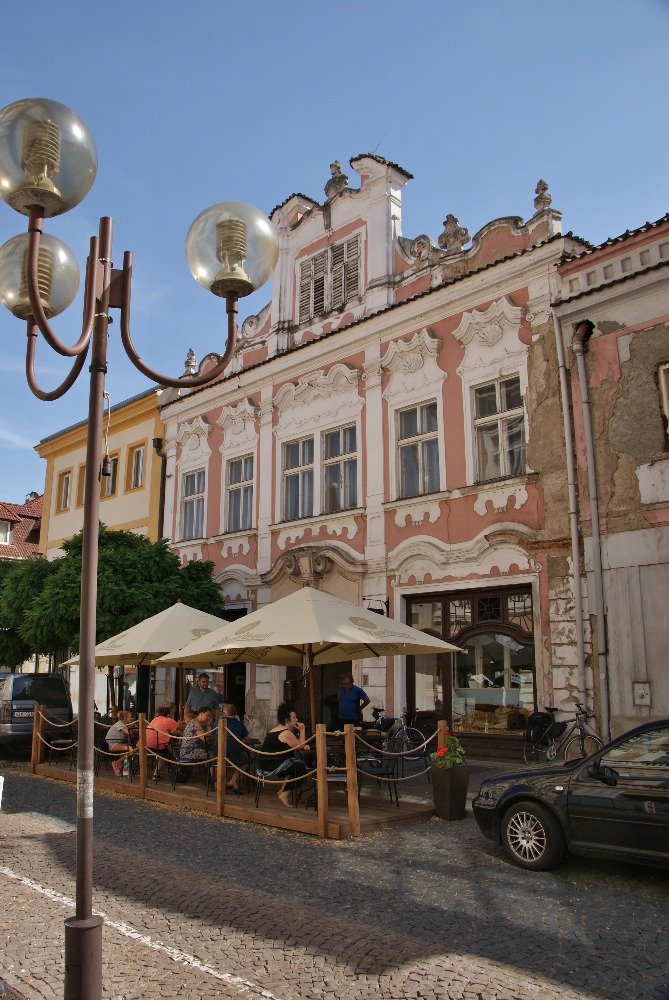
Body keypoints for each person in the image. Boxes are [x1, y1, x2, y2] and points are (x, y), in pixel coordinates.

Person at [259, 703, 308, 808]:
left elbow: (298, 744)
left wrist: (302, 745)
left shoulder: (278, 729)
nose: (297, 719)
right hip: (272, 765)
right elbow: (301, 746)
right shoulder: (286, 733)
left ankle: (282, 791)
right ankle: (284, 794)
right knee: (301, 770)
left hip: (268, 762)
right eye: (294, 717)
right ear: (287, 720)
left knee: (295, 765)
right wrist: (302, 729)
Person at [221, 702, 248, 792]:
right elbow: (246, 739)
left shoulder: (218, 723)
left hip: (218, 754)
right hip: (235, 755)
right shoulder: (240, 724)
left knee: (214, 763)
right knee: (246, 762)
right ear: (235, 713)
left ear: (224, 713)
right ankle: (233, 780)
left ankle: (224, 782)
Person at [146, 703, 179, 778]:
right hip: (157, 746)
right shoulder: (168, 720)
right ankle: (156, 773)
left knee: (167, 746)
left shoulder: (155, 719)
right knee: (166, 754)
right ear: (168, 714)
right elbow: (180, 728)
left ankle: (174, 761)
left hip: (146, 744)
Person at [105, 709, 134, 777]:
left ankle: (122, 769)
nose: (132, 718)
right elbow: (128, 733)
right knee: (131, 749)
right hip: (111, 744)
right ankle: (116, 763)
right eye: (130, 717)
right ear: (125, 718)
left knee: (130, 750)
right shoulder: (119, 724)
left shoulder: (124, 724)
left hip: (118, 742)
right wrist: (133, 728)